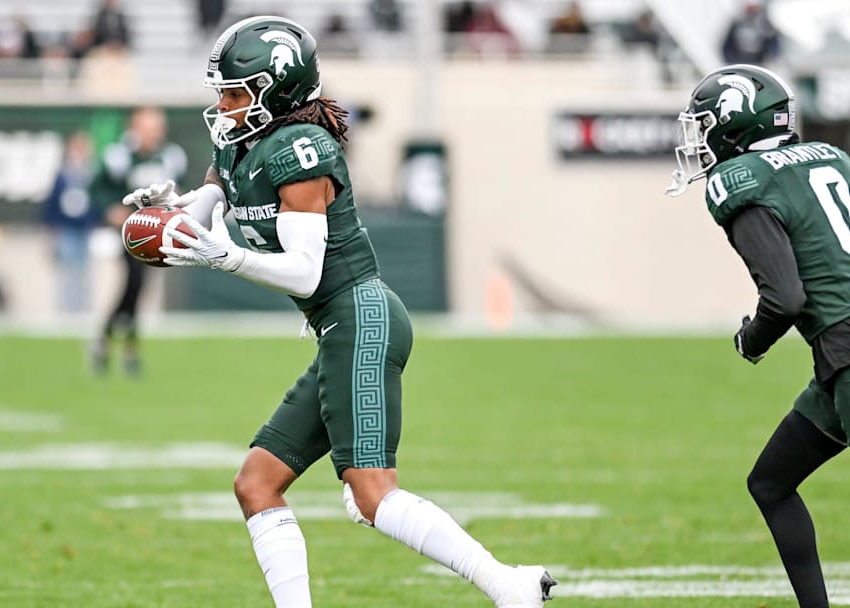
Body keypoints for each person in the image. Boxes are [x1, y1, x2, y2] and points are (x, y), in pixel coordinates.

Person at [123, 16, 556, 608]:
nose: (221, 104)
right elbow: (203, 214)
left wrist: (222, 257)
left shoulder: (302, 151)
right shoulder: (237, 142)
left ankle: (508, 584)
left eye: (234, 91)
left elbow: (303, 269)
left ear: (274, 91)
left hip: (361, 316)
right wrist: (166, 214)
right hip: (338, 327)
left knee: (373, 495)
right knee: (257, 483)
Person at [666, 64, 850, 608]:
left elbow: (785, 298)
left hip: (846, 347)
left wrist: (753, 339)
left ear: (731, 121)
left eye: (704, 123)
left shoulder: (741, 177)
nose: (699, 139)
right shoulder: (832, 156)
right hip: (836, 359)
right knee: (770, 481)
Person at [90, 107, 187, 375]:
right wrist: (111, 210)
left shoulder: (170, 156)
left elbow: (181, 189)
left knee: (134, 290)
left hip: (157, 234)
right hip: (129, 233)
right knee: (134, 286)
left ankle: (106, 341)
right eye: (148, 126)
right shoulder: (119, 157)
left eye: (157, 126)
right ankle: (126, 349)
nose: (154, 132)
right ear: (135, 127)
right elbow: (96, 190)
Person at [41, 131, 99, 314]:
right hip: (66, 230)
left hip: (85, 230)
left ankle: (83, 310)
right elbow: (52, 205)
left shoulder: (93, 174)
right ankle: (66, 310)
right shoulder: (63, 175)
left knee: (84, 272)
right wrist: (50, 230)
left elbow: (98, 202)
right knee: (67, 271)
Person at [721, 1, 780, 66]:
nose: (752, 10)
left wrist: (767, 60)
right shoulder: (736, 24)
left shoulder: (766, 25)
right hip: (738, 65)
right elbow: (727, 47)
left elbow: (773, 47)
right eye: (750, 8)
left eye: (754, 8)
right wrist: (733, 62)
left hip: (759, 65)